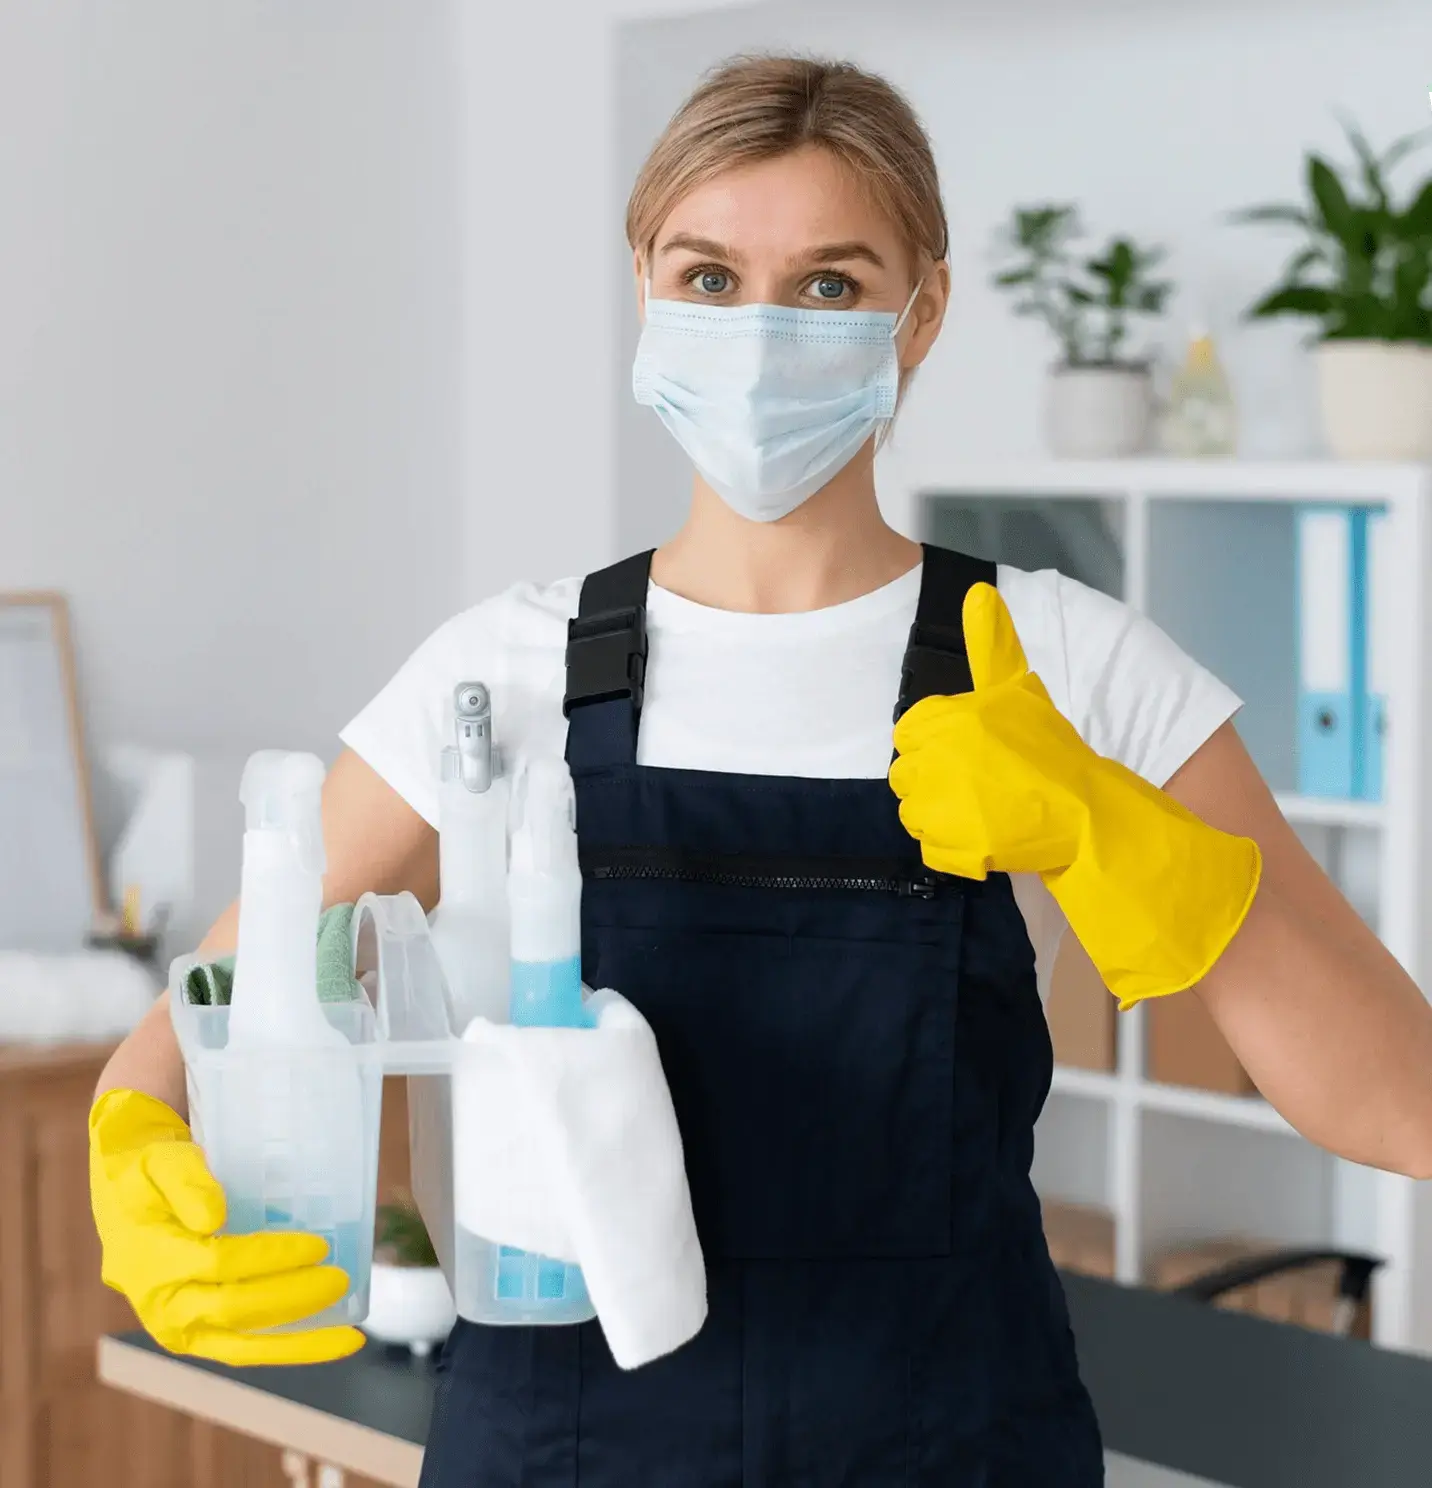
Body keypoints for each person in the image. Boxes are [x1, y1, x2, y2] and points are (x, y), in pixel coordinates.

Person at [89, 53, 1432, 1487]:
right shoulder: (505, 669)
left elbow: (1398, 1104)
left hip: (946, 1450)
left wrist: (1118, 834)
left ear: (924, 315)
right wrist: (131, 1142)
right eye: (711, 277)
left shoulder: (1059, 663)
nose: (762, 330)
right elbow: (200, 1023)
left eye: (832, 284)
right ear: (645, 287)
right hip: (559, 1457)